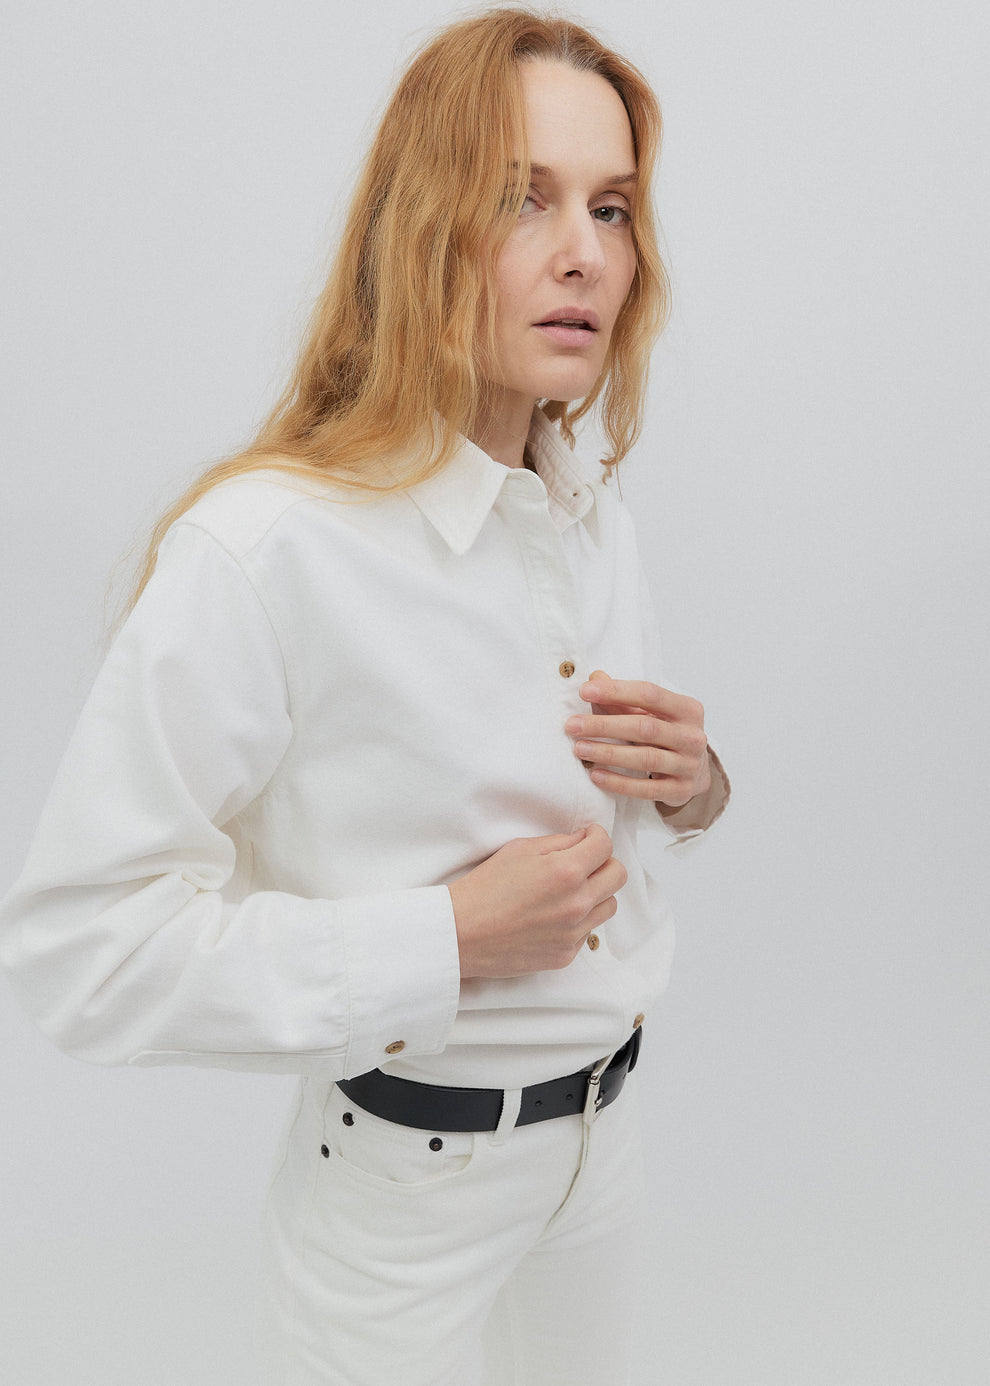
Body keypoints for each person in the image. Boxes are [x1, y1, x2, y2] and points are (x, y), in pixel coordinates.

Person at [0, 8, 729, 1384]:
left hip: (604, 1161)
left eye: (613, 207)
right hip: (402, 1206)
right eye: (522, 198)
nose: (585, 252)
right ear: (421, 227)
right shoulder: (269, 548)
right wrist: (443, 938)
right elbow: (79, 951)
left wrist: (696, 790)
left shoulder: (592, 512)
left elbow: (616, 840)